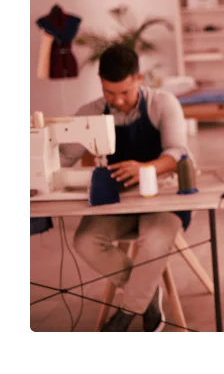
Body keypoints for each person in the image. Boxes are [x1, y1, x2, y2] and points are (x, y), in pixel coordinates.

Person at [60, 44, 193, 333]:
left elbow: (177, 153)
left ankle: (127, 312)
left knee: (155, 240)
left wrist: (147, 168)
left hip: (162, 197)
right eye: (110, 93)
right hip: (116, 202)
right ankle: (146, 295)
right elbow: (61, 156)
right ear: (101, 84)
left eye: (125, 92)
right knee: (85, 241)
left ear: (139, 79)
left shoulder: (163, 103)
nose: (118, 101)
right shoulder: (91, 113)